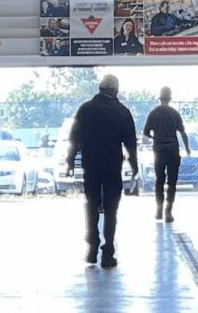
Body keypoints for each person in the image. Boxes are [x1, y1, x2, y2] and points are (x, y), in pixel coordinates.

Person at [66, 74, 138, 268]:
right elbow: (131, 142)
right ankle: (108, 253)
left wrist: (71, 160)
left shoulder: (86, 109)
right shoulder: (123, 111)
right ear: (116, 90)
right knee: (111, 208)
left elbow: (75, 137)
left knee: (91, 204)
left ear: (99, 88)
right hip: (112, 165)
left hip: (91, 164)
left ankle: (92, 245)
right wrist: (134, 164)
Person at [143, 86, 190, 223]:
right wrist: (187, 148)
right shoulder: (174, 113)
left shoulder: (154, 113)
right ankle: (168, 212)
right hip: (173, 150)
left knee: (159, 180)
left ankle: (159, 210)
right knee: (172, 182)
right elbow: (182, 132)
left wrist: (155, 138)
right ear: (170, 98)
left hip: (158, 150)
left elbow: (146, 132)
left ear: (160, 98)